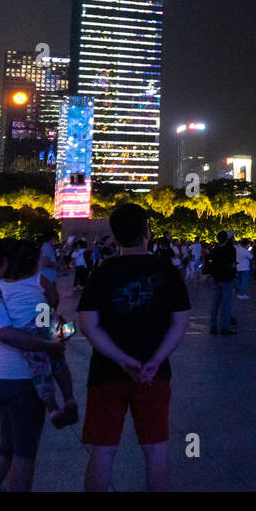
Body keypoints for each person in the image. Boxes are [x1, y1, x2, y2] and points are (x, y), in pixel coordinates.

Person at [79, 203, 190, 491]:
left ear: (115, 238)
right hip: (154, 375)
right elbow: (180, 323)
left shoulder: (102, 272)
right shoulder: (166, 270)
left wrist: (122, 359)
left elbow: (88, 325)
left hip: (106, 373)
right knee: (156, 449)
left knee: (102, 450)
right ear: (147, 233)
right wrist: (153, 361)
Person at [0, 241, 64, 491]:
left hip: (2, 379)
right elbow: (5, 333)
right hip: (19, 380)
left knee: (8, 447)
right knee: (25, 452)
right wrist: (47, 345)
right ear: (2, 263)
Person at [1, 241, 78, 428]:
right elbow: (53, 297)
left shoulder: (2, 284)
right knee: (60, 357)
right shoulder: (38, 278)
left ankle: (53, 409)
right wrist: (51, 310)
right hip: (43, 318)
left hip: (25, 330)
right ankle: (69, 399)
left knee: (39, 370)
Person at [207, 232, 238, 334]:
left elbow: (212, 264)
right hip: (227, 278)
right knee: (226, 305)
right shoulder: (231, 250)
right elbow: (233, 264)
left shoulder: (215, 249)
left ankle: (213, 327)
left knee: (214, 304)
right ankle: (225, 328)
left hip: (216, 279)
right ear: (227, 239)